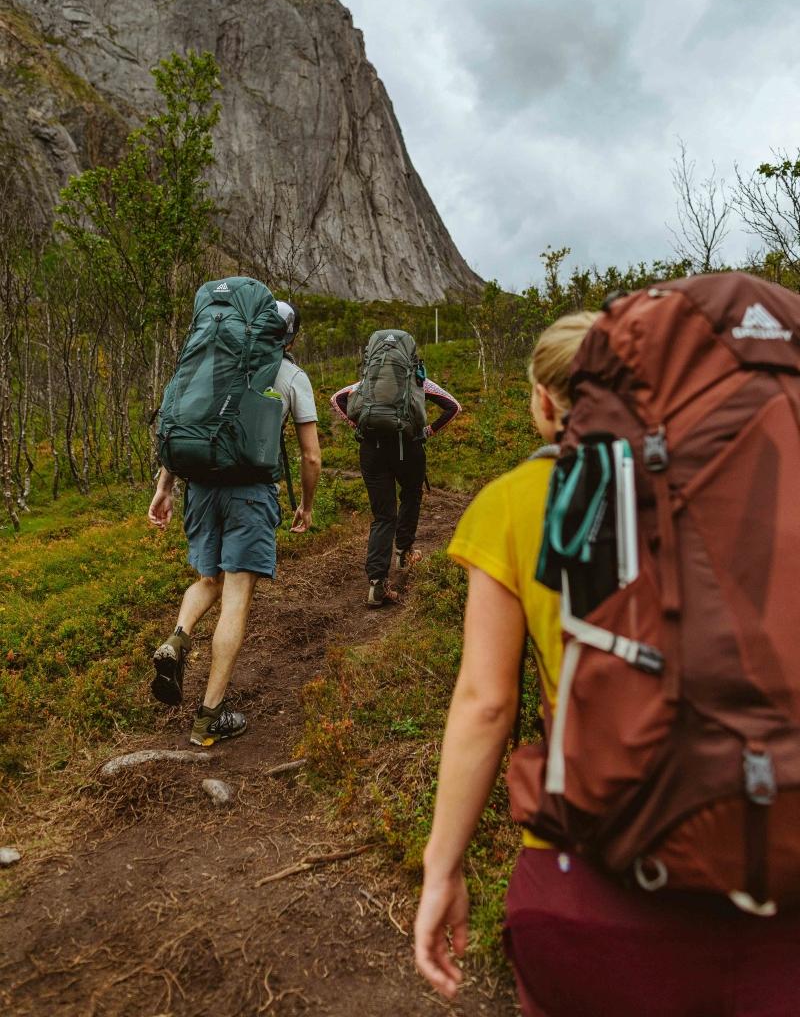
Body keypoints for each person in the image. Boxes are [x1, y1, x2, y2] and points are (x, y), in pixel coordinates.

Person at [414, 310, 800, 1017]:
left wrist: (442, 868)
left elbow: (485, 703)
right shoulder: (772, 487)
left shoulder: (515, 502)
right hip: (775, 878)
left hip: (589, 882)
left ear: (541, 402)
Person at [147, 299, 321, 746]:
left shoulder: (214, 363)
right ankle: (209, 718)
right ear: (290, 336)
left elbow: (185, 426)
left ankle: (178, 637)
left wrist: (165, 487)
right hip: (251, 492)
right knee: (237, 597)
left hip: (202, 486)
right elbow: (311, 455)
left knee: (208, 579)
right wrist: (306, 503)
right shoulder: (291, 376)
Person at [331, 350, 460, 607]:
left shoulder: (368, 381)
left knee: (383, 516)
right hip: (408, 448)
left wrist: (357, 426)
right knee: (411, 494)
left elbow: (337, 399)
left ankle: (377, 584)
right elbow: (453, 406)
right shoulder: (418, 381)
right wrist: (428, 431)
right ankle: (404, 553)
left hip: (372, 450)